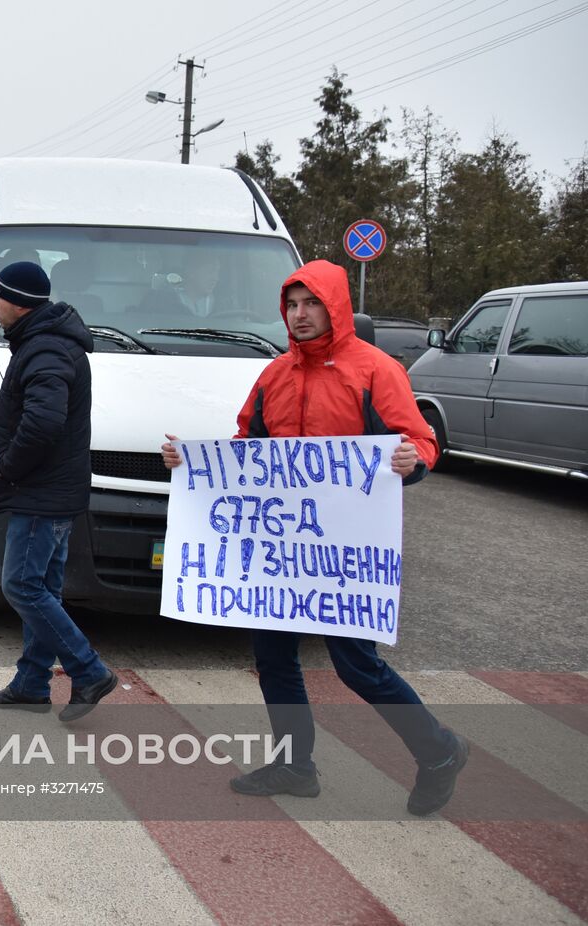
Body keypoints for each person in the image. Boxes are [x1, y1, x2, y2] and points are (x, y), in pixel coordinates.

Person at [159, 258, 470, 816]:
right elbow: (245, 450)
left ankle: (439, 750)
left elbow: (420, 440)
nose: (300, 316)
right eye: (292, 306)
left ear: (335, 307)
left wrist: (411, 460)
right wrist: (192, 462)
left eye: (311, 305)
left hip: (343, 555)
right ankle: (295, 766)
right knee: (273, 656)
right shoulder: (275, 375)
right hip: (282, 553)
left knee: (357, 667)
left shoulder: (375, 371)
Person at [0, 261, 117, 722]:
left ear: (19, 302)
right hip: (55, 490)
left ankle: (89, 670)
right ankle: (32, 685)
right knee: (43, 589)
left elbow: (42, 424)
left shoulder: (46, 348)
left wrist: (3, 471)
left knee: (20, 584)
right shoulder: (46, 341)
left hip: (41, 492)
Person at [141, 251, 223, 318]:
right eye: (210, 271)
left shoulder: (223, 306)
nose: (216, 278)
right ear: (191, 272)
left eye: (217, 272)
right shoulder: (158, 302)